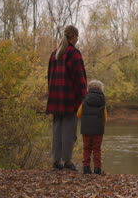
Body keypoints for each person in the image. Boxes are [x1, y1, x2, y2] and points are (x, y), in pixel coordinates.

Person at [46, 25, 87, 171]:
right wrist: (84, 98)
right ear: (74, 37)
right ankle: (68, 161)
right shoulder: (74, 54)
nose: (77, 39)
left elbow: (49, 77)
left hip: (55, 99)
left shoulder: (54, 54)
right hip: (70, 99)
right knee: (69, 132)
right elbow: (80, 79)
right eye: (77, 36)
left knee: (57, 130)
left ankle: (56, 161)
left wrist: (50, 95)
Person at [76, 80, 107, 175]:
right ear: (101, 89)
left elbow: (78, 114)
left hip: (86, 129)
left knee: (86, 148)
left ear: (88, 89)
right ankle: (97, 169)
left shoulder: (85, 100)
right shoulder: (102, 101)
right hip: (98, 129)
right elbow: (105, 117)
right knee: (97, 149)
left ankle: (86, 168)